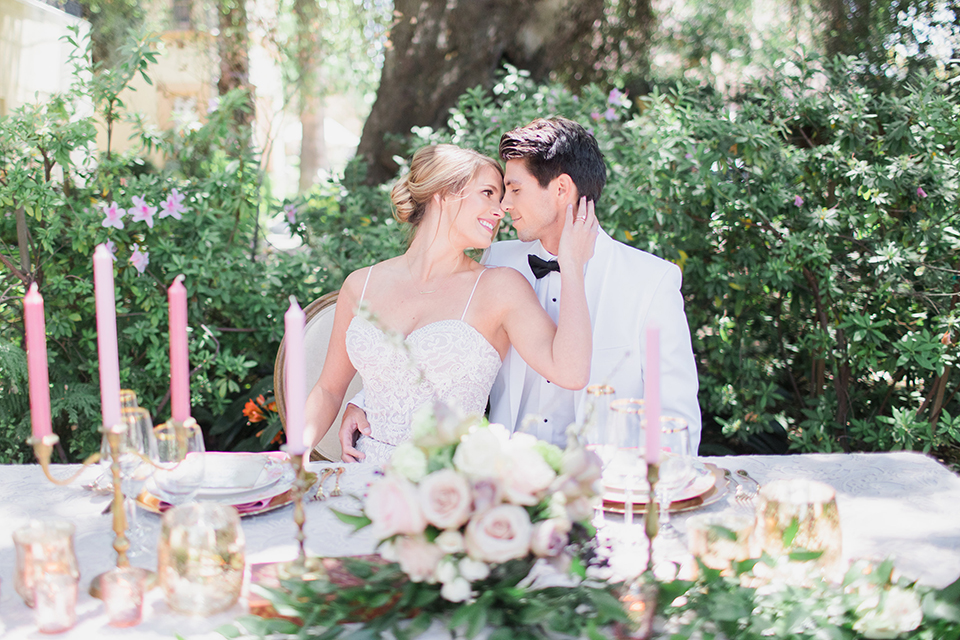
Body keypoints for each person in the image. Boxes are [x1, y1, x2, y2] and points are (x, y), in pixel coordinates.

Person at [339, 117, 701, 457]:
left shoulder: (650, 281)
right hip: (503, 479)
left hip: (604, 486)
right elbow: (435, 341)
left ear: (561, 189)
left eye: (513, 189)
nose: (503, 205)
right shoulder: (495, 261)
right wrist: (367, 401)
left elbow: (675, 415)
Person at [303, 143, 598, 464]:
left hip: (447, 486)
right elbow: (329, 390)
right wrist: (289, 458)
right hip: (362, 477)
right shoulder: (360, 285)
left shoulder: (501, 288)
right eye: (488, 193)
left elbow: (570, 373)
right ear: (442, 193)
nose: (501, 210)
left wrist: (571, 265)